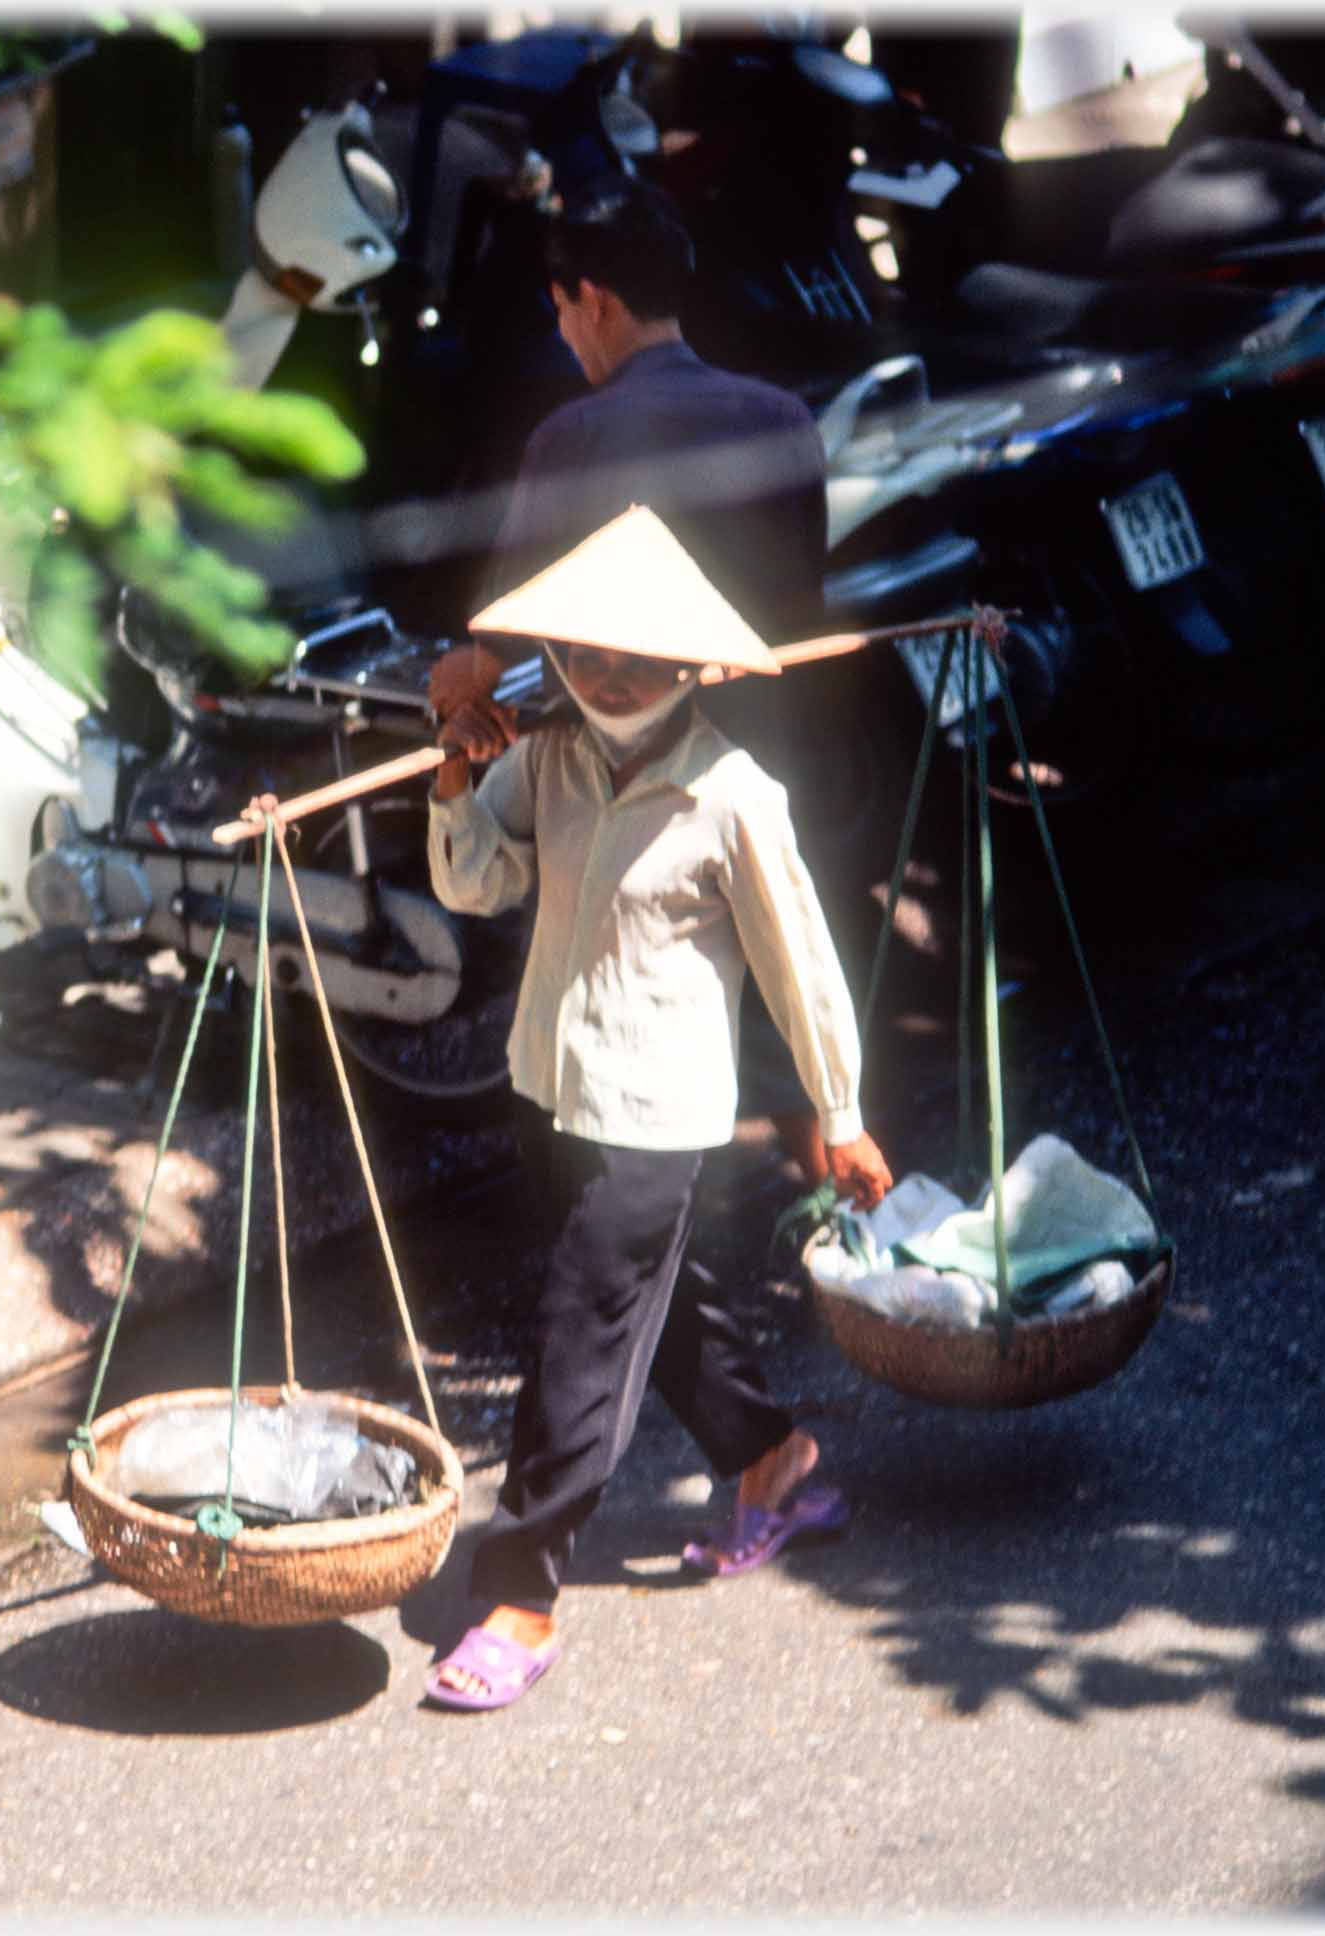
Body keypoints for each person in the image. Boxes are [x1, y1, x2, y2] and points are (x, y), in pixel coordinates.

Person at [417, 505, 894, 1713]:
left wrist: (838, 1109)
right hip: (551, 1088)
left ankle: (517, 1585)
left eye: (637, 660)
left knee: (581, 1338)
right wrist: (457, 764)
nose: (608, 677)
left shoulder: (733, 796)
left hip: (655, 1117)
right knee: (654, 1306)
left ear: (690, 668)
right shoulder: (554, 758)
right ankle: (769, 1456)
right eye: (585, 655)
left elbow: (802, 966)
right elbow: (474, 880)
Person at [437, 174, 846, 1179]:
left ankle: (669, 1261)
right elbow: (797, 615)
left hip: (640, 787)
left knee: (646, 1052)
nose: (567, 338)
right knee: (785, 994)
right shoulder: (785, 418)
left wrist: (456, 694)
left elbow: (489, 653)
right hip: (765, 764)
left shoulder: (572, 440)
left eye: (564, 312)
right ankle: (829, 1178)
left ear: (597, 301)